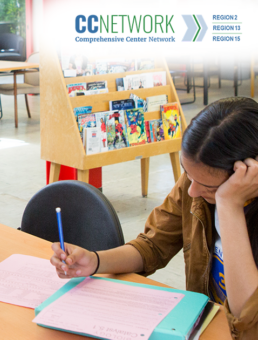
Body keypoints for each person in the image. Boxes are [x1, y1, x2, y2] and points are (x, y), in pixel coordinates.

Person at [50, 97, 258, 339]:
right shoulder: (196, 183)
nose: (192, 192)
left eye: (208, 187)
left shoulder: (225, 201)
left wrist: (229, 206)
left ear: (246, 174)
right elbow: (152, 245)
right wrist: (95, 261)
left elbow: (248, 318)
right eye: (188, 175)